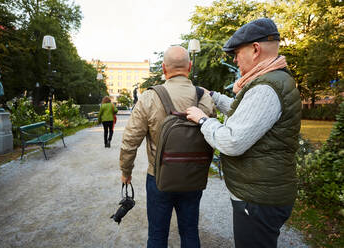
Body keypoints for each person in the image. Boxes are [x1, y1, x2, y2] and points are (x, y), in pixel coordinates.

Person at [186, 18, 301, 248]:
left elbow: (231, 140)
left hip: (258, 199)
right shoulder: (272, 79)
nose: (236, 59)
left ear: (255, 49)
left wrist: (203, 121)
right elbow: (247, 115)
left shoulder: (266, 88)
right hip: (261, 193)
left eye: (237, 53)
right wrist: (215, 97)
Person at [119, 46, 216, 248]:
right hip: (193, 177)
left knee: (157, 234)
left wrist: (126, 171)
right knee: (190, 232)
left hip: (159, 178)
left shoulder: (149, 97)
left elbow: (130, 141)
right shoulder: (204, 97)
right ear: (190, 66)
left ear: (164, 68)